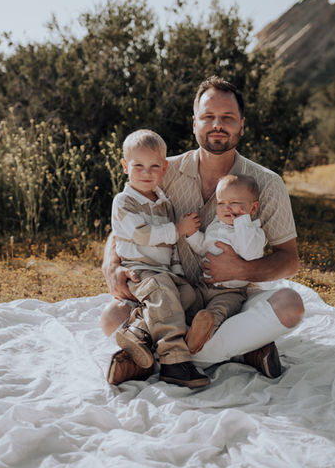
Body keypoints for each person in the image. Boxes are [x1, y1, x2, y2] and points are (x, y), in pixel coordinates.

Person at [102, 75, 304, 385]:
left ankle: (155, 358)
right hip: (174, 294)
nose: (217, 124)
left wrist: (243, 269)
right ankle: (240, 349)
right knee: (112, 318)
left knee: (291, 305)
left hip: (233, 298)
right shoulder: (159, 169)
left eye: (227, 118)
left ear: (242, 125)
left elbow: (289, 259)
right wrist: (112, 265)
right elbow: (123, 225)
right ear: (195, 122)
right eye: (208, 116)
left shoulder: (267, 183)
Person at [105, 128, 209, 388]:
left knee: (187, 295)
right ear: (125, 166)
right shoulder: (124, 201)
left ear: (164, 168)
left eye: (153, 166)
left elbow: (170, 249)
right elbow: (142, 235)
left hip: (163, 272)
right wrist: (178, 230)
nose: (146, 173)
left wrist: (178, 273)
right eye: (138, 166)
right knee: (163, 295)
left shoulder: (164, 203)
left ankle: (138, 332)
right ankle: (174, 361)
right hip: (139, 271)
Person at [185, 173, 266, 354]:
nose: (226, 208)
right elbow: (202, 248)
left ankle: (201, 335)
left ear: (253, 208)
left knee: (219, 311)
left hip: (231, 291)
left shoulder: (254, 232)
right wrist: (192, 234)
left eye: (235, 203)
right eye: (221, 203)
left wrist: (242, 221)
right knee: (188, 303)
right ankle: (185, 331)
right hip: (203, 286)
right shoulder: (215, 225)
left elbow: (250, 254)